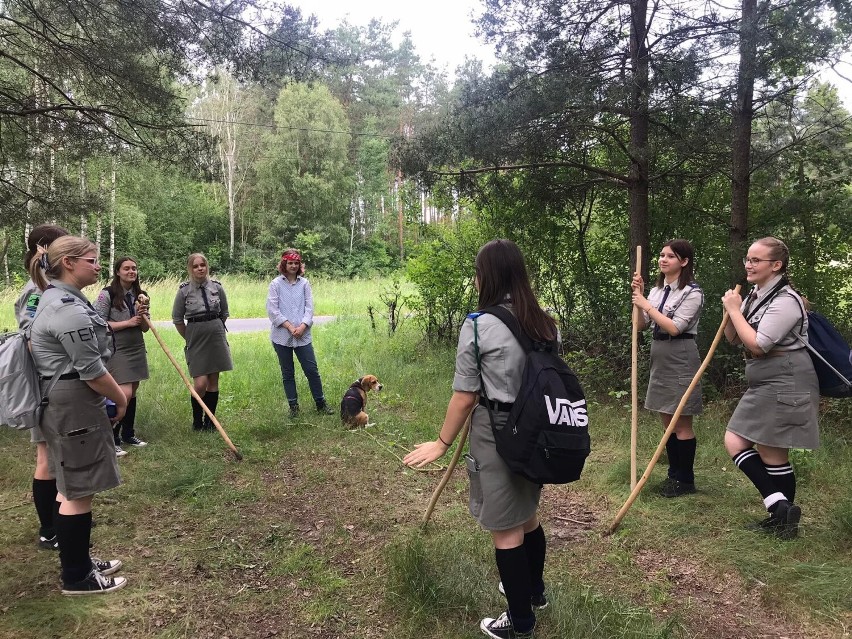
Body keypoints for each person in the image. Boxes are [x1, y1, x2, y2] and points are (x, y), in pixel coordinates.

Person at [404, 239, 553, 639]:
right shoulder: (544, 320)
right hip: (539, 431)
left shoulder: (476, 325)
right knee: (528, 513)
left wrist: (441, 442)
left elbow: (466, 395)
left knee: (506, 527)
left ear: (488, 275)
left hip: (498, 434)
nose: (474, 277)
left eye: (477, 270)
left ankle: (520, 622)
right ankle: (535, 592)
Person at [28, 235, 127, 594]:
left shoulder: (57, 298)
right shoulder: (66, 308)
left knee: (67, 484)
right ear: (68, 262)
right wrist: (121, 398)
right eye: (92, 260)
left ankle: (80, 560)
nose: (98, 265)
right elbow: (91, 369)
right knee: (78, 491)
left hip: (62, 399)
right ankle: (77, 576)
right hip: (72, 403)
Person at [722, 236, 818, 540]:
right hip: (764, 377)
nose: (748, 265)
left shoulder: (786, 300)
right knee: (765, 451)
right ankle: (782, 515)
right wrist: (730, 313)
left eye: (756, 260)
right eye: (747, 259)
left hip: (787, 377)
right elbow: (734, 339)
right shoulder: (754, 295)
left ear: (776, 265)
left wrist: (736, 312)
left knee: (745, 444)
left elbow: (760, 344)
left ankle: (780, 514)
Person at [631, 239, 704, 497]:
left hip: (680, 355)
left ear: (683, 262)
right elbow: (641, 325)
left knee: (680, 421)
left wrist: (645, 303)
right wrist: (639, 303)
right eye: (661, 255)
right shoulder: (657, 291)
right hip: (659, 355)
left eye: (670, 256)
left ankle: (685, 480)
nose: (663, 259)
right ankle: (673, 475)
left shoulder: (692, 293)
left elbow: (675, 327)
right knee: (666, 418)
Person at [14, 224, 69, 551]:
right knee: (46, 458)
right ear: (44, 249)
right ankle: (50, 529)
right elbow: (34, 338)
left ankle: (59, 519)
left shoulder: (51, 286)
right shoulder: (36, 291)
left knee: (54, 456)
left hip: (55, 382)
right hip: (46, 385)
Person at [266, 249, 335, 418]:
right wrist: (290, 327)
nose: (293, 266)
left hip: (303, 335)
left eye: (296, 263)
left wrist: (303, 326)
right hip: (282, 336)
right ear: (284, 264)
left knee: (311, 370)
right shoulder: (275, 284)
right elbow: (272, 310)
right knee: (287, 373)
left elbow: (309, 308)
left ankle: (320, 403)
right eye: (290, 263)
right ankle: (293, 407)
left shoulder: (304, 283)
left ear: (300, 265)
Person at [94, 257, 150, 454]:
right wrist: (128, 322)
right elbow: (97, 323)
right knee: (122, 394)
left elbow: (144, 328)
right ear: (118, 272)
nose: (131, 272)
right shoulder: (107, 294)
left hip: (136, 348)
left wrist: (141, 315)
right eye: (126, 268)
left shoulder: (141, 295)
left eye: (134, 268)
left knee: (132, 393)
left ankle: (128, 434)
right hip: (117, 349)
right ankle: (112, 437)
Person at [172, 253, 232, 431]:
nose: (200, 268)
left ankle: (210, 421)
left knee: (213, 381)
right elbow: (177, 319)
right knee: (200, 383)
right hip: (196, 337)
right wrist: (190, 337)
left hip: (216, 336)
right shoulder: (184, 291)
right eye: (196, 266)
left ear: (207, 267)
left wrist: (215, 328)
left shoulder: (217, 287)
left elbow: (225, 313)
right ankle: (197, 420)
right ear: (190, 269)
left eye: (203, 265)